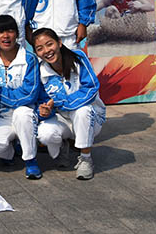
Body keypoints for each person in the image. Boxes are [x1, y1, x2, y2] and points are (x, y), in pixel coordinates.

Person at [34, 28, 106, 180]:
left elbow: (91, 88)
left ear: (59, 43)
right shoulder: (41, 71)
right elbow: (43, 102)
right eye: (40, 48)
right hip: (64, 120)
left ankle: (86, 159)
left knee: (82, 111)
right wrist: (45, 111)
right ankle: (63, 145)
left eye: (49, 44)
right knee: (44, 133)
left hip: (91, 118)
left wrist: (60, 102)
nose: (46, 51)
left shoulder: (78, 58)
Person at [0, 15, 42, 179]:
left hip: (26, 113)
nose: (5, 36)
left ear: (17, 34)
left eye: (10, 31)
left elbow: (29, 95)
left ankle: (30, 160)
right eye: (0, 32)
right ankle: (11, 153)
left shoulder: (29, 59)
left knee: (22, 113)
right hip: (1, 116)